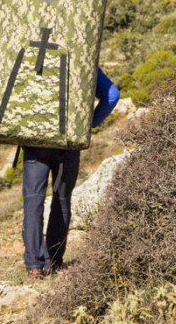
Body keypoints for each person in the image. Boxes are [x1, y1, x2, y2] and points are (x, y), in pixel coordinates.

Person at [22, 67, 119, 278]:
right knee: (62, 200)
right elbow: (112, 95)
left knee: (33, 201)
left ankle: (35, 266)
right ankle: (54, 261)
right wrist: (88, 124)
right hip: (69, 143)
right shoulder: (82, 56)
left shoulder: (32, 55)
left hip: (35, 141)